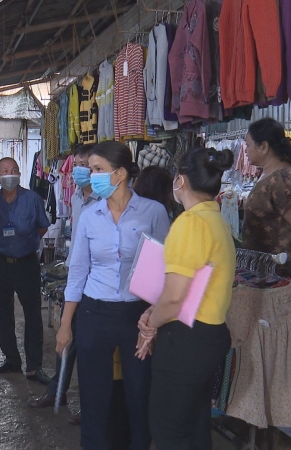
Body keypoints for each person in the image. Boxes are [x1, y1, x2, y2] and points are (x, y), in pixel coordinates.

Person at [58, 141, 170, 450]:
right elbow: (78, 271)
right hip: (95, 313)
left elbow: (164, 270)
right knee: (94, 395)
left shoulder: (153, 212)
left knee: (138, 392)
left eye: (97, 170)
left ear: (119, 174)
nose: (90, 175)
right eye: (91, 169)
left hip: (138, 315)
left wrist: (154, 319)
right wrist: (66, 325)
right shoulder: (90, 215)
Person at [136, 147, 235, 450]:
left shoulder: (190, 223)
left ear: (180, 181)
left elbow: (175, 300)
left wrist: (150, 324)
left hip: (186, 341)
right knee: (193, 426)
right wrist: (156, 312)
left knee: (168, 429)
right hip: (208, 335)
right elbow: (187, 290)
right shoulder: (216, 220)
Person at [29, 144, 98, 416]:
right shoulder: (78, 198)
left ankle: (90, 405)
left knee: (90, 345)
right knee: (64, 335)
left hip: (97, 283)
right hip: (75, 275)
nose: (81, 170)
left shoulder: (104, 201)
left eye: (88, 165)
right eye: (78, 164)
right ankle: (57, 391)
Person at [0, 157, 51, 384]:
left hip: (27, 263)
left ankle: (34, 366)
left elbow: (43, 226)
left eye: (14, 170)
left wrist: (28, 243)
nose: (10, 174)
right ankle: (12, 359)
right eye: (5, 171)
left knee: (33, 314)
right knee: (2, 313)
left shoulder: (32, 199)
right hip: (1, 263)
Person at [241, 117, 291, 280]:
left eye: (248, 145)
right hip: (267, 274)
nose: (246, 150)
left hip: (284, 277)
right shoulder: (271, 175)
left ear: (264, 147)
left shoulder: (284, 180)